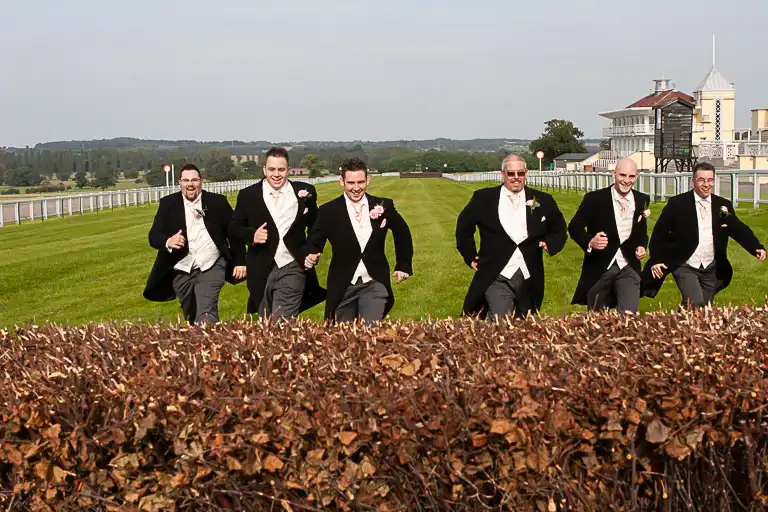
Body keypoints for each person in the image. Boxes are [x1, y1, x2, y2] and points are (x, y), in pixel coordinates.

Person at [302, 157, 413, 325]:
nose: (356, 188)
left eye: (360, 182)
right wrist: (310, 254)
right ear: (342, 181)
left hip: (374, 281)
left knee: (371, 331)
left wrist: (403, 264)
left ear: (368, 179)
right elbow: (314, 241)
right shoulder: (328, 211)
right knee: (343, 340)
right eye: (351, 183)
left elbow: (402, 233)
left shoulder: (384, 206)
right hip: (342, 285)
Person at [455, 154, 567, 320]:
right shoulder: (483, 198)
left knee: (525, 323)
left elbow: (559, 228)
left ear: (526, 174)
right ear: (503, 174)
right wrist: (470, 255)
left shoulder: (542, 200)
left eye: (520, 173)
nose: (516, 178)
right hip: (496, 273)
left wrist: (550, 243)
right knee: (501, 320)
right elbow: (463, 227)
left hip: (529, 273)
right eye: (511, 173)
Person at [642, 161, 766, 307]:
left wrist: (755, 247)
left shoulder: (722, 205)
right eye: (701, 180)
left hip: (710, 267)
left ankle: (677, 326)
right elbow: (659, 234)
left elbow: (738, 228)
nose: (706, 184)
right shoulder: (677, 204)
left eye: (710, 180)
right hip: (684, 263)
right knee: (695, 303)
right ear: (693, 181)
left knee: (704, 309)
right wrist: (656, 259)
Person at [229, 147, 325, 320]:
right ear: (264, 169)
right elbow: (234, 229)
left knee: (282, 321)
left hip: (293, 265)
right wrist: (252, 236)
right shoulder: (248, 195)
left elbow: (316, 227)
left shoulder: (305, 193)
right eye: (272, 169)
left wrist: (312, 250)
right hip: (260, 267)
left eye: (281, 169)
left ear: (288, 170)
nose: (276, 174)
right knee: (266, 323)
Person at [143, 164, 247, 324]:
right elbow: (153, 236)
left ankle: (212, 344)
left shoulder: (217, 202)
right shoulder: (168, 204)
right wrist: (168, 241)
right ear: (180, 182)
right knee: (191, 316)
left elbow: (234, 234)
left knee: (207, 310)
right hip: (182, 268)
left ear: (201, 181)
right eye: (186, 180)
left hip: (211, 264)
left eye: (194, 180)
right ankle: (196, 342)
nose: (190, 184)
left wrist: (240, 262)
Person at [568, 159, 650, 313]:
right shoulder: (594, 199)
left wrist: (641, 245)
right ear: (614, 174)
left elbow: (641, 231)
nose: (626, 181)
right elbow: (574, 227)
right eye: (622, 175)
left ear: (637, 176)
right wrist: (590, 242)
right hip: (600, 265)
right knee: (598, 321)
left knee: (629, 317)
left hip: (629, 265)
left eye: (631, 176)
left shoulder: (641, 199)